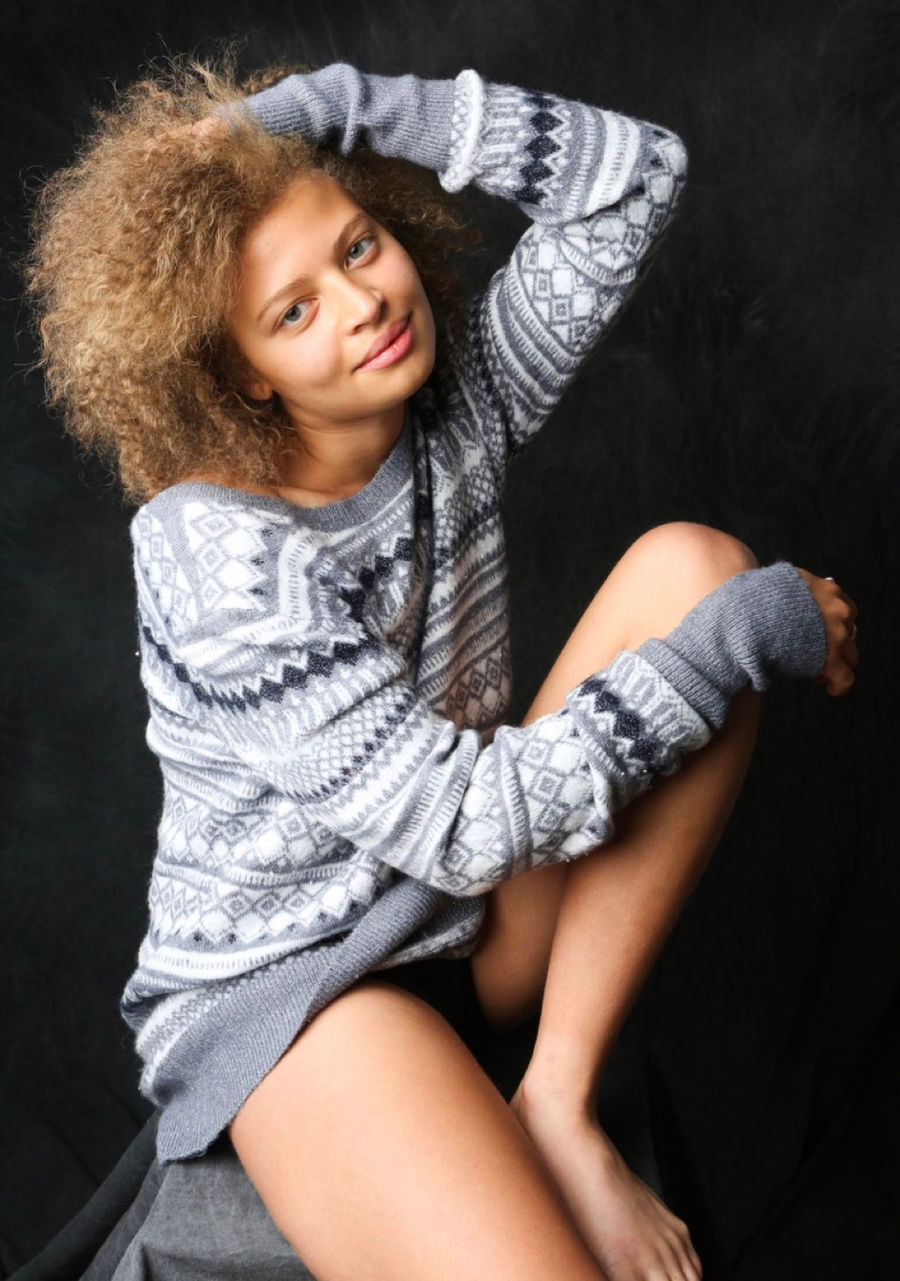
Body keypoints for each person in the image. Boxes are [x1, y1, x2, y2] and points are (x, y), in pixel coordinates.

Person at [24, 51, 858, 1281]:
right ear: (242, 372)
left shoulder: (448, 406)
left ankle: (557, 1100)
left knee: (695, 567)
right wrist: (741, 640)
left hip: (461, 929)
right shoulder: (214, 551)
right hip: (300, 992)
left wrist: (338, 108)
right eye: (294, 311)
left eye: (358, 247)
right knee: (721, 616)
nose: (362, 304)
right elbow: (461, 827)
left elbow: (635, 178)